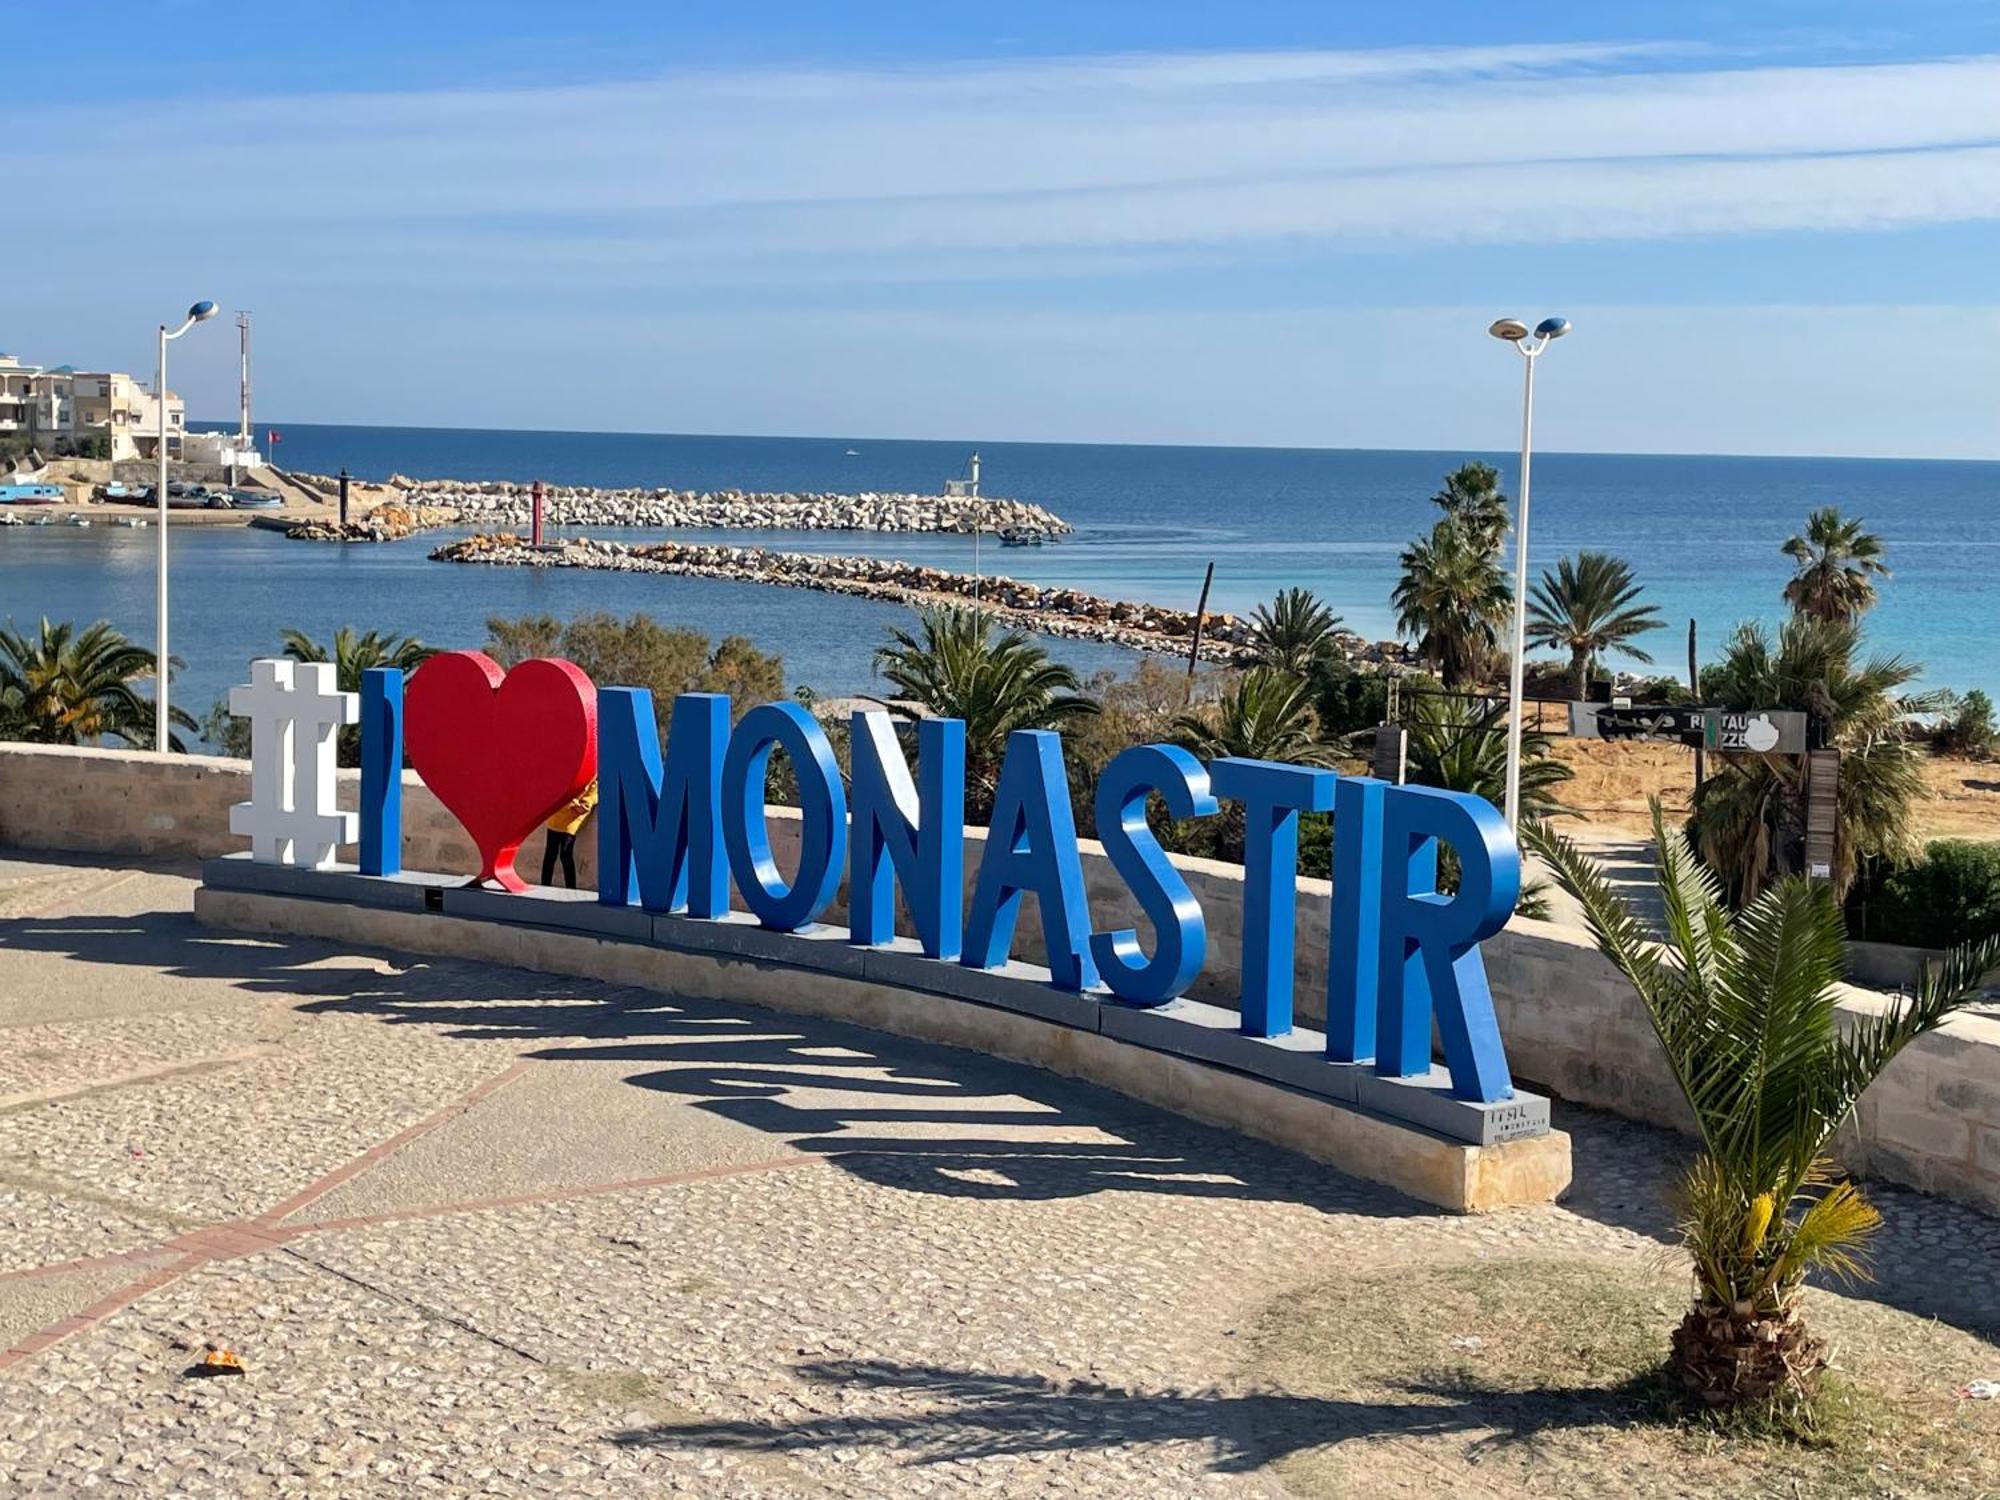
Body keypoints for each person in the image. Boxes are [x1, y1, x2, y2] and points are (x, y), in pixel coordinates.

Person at [540, 778, 597, 889]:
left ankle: (571, 888)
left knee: (565, 854)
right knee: (550, 854)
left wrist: (585, 803)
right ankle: (545, 886)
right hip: (557, 815)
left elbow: (591, 796)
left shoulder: (593, 777)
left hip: (572, 819)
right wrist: (575, 803)